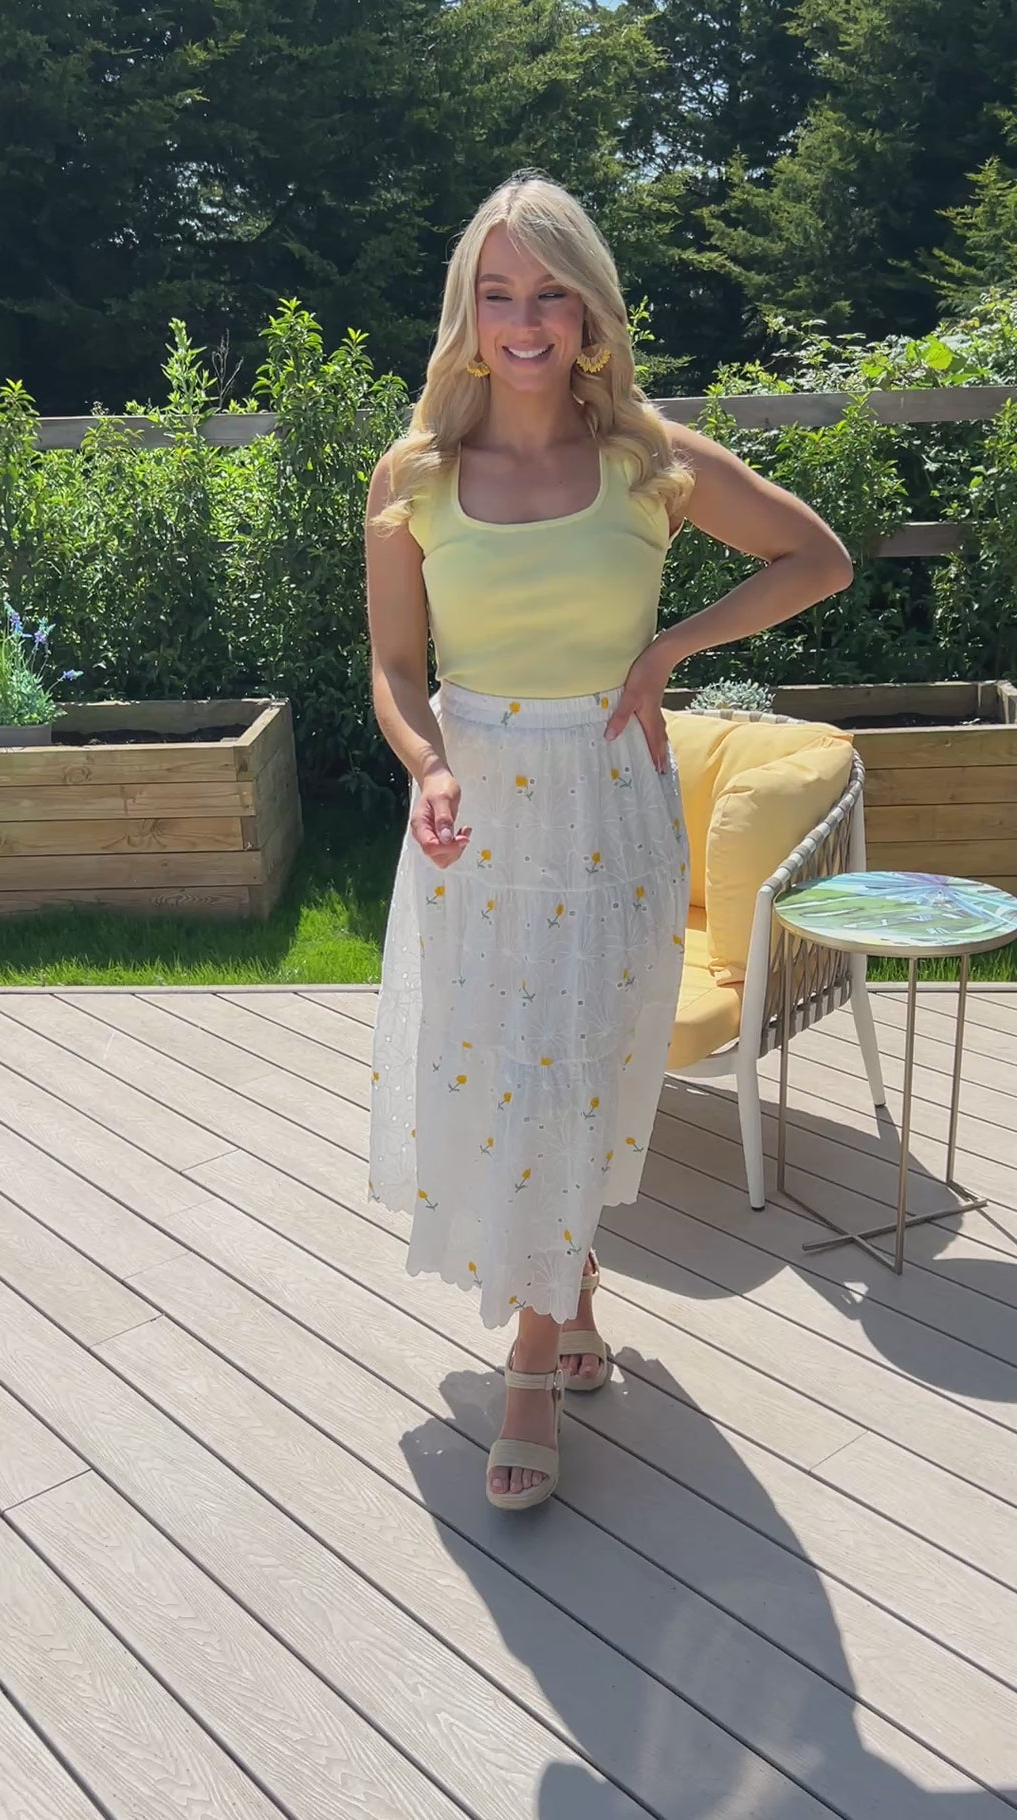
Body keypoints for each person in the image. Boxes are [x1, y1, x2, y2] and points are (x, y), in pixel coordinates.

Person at [364, 171, 852, 1513]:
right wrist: (425, 766)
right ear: (469, 314)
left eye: (551, 293)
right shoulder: (413, 477)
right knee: (502, 1070)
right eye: (499, 294)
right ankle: (567, 1288)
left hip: (609, 801)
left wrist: (672, 647)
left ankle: (532, 1362)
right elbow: (396, 669)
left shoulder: (649, 461)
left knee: (575, 1065)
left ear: (589, 311)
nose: (526, 321)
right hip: (476, 813)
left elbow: (817, 558)